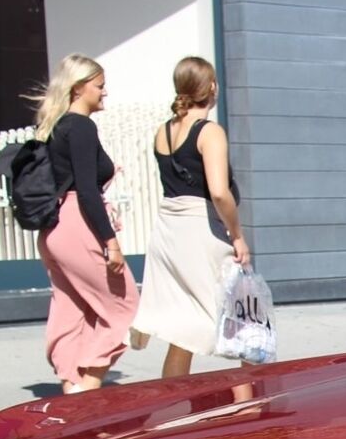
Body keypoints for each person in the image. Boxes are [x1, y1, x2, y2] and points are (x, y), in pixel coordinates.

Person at [131, 56, 251, 378]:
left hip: (169, 231)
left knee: (181, 331)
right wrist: (237, 235)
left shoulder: (164, 132)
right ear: (212, 87)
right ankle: (249, 403)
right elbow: (219, 191)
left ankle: (171, 408)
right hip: (201, 230)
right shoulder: (209, 132)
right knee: (240, 319)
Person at [30, 53, 137, 394]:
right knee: (124, 305)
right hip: (79, 223)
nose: (104, 93)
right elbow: (88, 192)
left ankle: (70, 389)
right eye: (100, 86)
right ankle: (86, 393)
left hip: (54, 229)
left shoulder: (56, 126)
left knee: (70, 311)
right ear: (79, 88)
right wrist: (111, 242)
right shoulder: (80, 126)